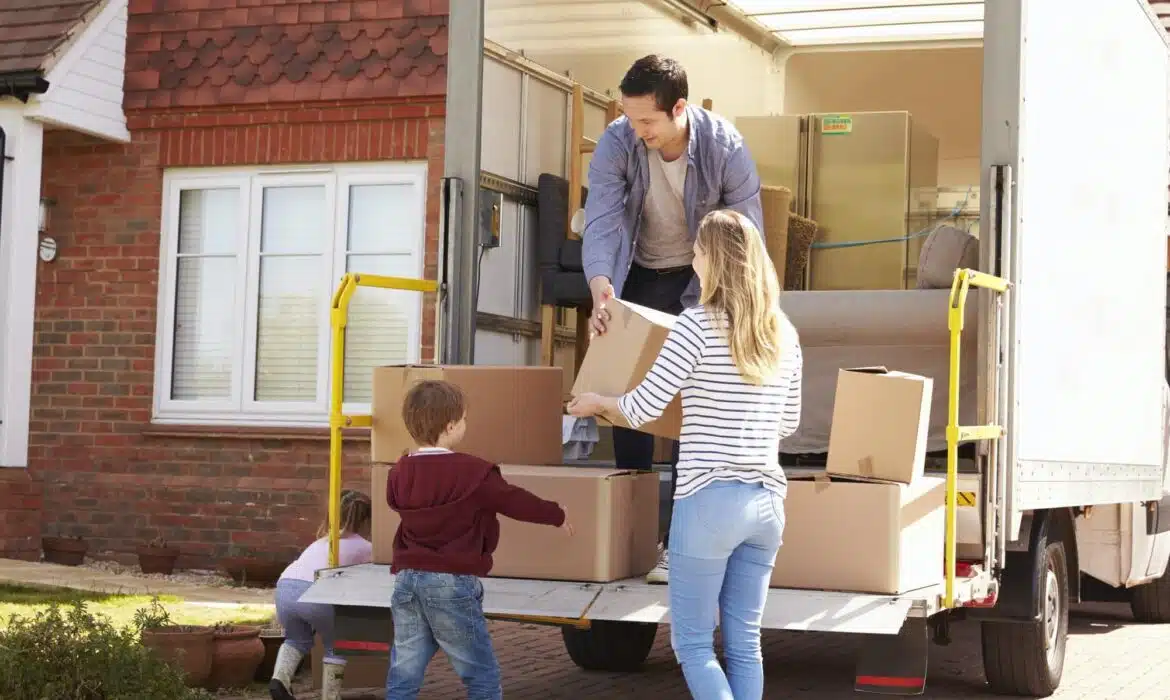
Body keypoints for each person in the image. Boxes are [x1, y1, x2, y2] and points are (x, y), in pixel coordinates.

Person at [569, 209, 802, 700]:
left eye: (696, 252)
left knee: (693, 645)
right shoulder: (784, 332)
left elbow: (644, 406)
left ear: (712, 262)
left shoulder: (694, 327)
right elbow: (788, 424)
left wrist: (595, 403)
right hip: (767, 504)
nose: (692, 260)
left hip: (708, 501)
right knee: (744, 645)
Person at [582, 54, 765, 584]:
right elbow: (603, 219)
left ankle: (679, 546)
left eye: (647, 122)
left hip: (702, 279)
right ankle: (633, 540)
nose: (636, 131)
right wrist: (601, 287)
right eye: (629, 118)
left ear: (679, 108)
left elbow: (744, 235)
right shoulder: (619, 141)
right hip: (634, 274)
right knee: (629, 404)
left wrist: (725, 310)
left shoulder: (724, 147)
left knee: (693, 408)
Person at [384, 379, 575, 700]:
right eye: (463, 419)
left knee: (405, 671)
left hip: (406, 579)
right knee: (480, 675)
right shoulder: (473, 472)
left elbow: (395, 501)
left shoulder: (399, 471)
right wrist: (557, 514)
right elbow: (514, 501)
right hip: (451, 582)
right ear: (449, 426)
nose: (465, 425)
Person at [269, 489, 374, 700]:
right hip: (316, 591)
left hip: (285, 589)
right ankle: (330, 697)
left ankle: (279, 680)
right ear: (366, 520)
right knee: (337, 645)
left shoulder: (321, 541)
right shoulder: (365, 547)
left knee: (296, 640)